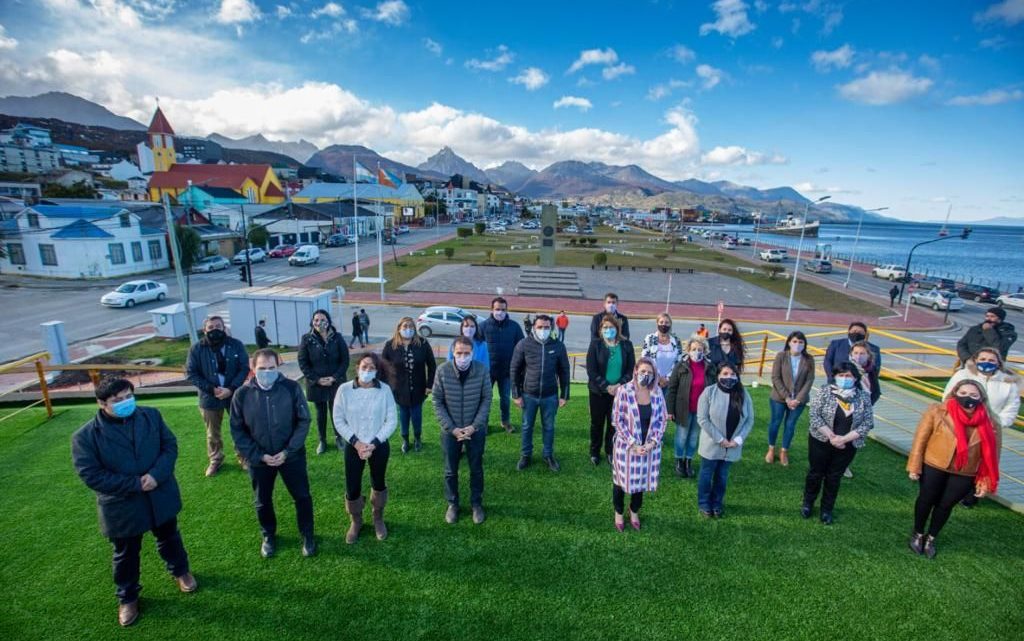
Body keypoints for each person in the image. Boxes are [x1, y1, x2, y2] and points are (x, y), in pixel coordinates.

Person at [71, 377, 196, 627]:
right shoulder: (85, 436)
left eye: (129, 396)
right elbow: (90, 474)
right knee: (126, 553)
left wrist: (155, 476)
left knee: (170, 537)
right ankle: (127, 597)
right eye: (117, 401)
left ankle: (181, 572)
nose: (126, 403)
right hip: (122, 505)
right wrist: (135, 484)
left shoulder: (151, 416)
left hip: (159, 494)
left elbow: (169, 447)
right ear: (101, 404)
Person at [230, 349, 316, 559]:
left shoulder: (291, 387)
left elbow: (303, 421)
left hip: (290, 456)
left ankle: (307, 534)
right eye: (262, 368)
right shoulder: (241, 394)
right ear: (253, 368)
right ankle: (268, 535)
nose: (267, 372)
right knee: (262, 500)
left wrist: (288, 451)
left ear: (278, 367)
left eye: (272, 368)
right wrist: (258, 455)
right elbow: (237, 429)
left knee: (302, 496)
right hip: (260, 460)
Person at [906, 380, 1001, 559]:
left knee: (945, 505)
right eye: (963, 392)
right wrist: (914, 466)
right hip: (934, 464)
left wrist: (984, 481)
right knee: (926, 499)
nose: (968, 398)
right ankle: (918, 533)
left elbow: (992, 456)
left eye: (974, 395)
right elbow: (920, 439)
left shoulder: (991, 423)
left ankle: (931, 538)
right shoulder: (937, 410)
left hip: (965, 472)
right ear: (955, 392)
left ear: (982, 398)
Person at [333, 352, 398, 543]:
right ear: (357, 368)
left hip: (378, 445)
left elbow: (391, 420)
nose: (367, 371)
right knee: (352, 485)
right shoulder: (344, 390)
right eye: (364, 366)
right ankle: (356, 520)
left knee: (378, 482)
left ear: (377, 371)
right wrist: (357, 442)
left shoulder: (384, 390)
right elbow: (338, 419)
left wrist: (374, 443)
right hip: (354, 445)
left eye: (372, 368)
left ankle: (378, 518)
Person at [801, 363, 874, 524]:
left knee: (834, 477)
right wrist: (832, 437)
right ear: (835, 376)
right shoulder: (825, 391)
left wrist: (844, 439)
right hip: (821, 440)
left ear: (855, 378)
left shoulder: (863, 397)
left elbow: (868, 422)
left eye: (848, 376)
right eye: (841, 375)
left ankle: (827, 509)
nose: (844, 379)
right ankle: (808, 503)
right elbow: (814, 416)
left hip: (847, 445)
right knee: (815, 473)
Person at [433, 336, 493, 525]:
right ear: (453, 353)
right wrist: (452, 429)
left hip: (475, 431)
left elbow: (486, 399)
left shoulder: (482, 370)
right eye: (459, 353)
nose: (463, 357)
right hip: (450, 432)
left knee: (476, 468)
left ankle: (476, 504)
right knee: (451, 470)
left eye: (467, 353)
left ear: (473, 353)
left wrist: (474, 426)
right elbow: (437, 401)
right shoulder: (442, 371)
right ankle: (453, 504)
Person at [185, 315, 250, 477]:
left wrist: (231, 388)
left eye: (218, 327)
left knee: (240, 427)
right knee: (212, 433)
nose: (215, 330)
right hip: (209, 397)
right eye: (211, 327)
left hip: (234, 395)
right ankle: (216, 459)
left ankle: (244, 457)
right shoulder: (196, 349)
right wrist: (212, 389)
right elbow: (191, 373)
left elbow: (244, 368)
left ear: (224, 328)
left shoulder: (236, 345)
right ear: (205, 330)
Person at [610, 358, 668, 531]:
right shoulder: (624, 390)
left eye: (650, 373)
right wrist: (633, 444)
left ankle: (634, 511)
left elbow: (663, 419)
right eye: (643, 371)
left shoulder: (657, 392)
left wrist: (652, 443)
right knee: (620, 482)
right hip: (626, 447)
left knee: (640, 482)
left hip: (648, 447)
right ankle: (619, 512)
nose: (646, 375)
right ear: (635, 371)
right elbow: (617, 420)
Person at [511, 314, 571, 472]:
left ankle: (548, 455)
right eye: (540, 327)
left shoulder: (558, 346)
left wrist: (565, 394)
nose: (543, 330)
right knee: (526, 426)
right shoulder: (523, 344)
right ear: (533, 327)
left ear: (551, 328)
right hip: (528, 395)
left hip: (550, 396)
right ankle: (525, 455)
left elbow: (564, 371)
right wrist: (516, 394)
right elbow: (514, 370)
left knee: (549, 427)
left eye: (546, 327)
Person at [696, 364, 753, 518]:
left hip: (732, 447)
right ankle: (704, 503)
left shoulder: (743, 394)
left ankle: (717, 502)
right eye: (725, 373)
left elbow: (749, 420)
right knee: (706, 475)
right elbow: (702, 419)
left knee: (722, 476)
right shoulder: (709, 392)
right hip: (712, 445)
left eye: (732, 374)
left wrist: (738, 440)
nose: (729, 377)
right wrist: (720, 439)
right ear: (718, 375)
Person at [297, 309, 350, 455]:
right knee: (321, 413)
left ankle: (339, 437)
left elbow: (345, 360)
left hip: (335, 382)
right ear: (312, 322)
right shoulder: (307, 339)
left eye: (322, 319)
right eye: (316, 320)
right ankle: (323, 440)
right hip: (317, 384)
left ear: (328, 321)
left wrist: (335, 377)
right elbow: (303, 363)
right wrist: (317, 379)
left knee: (336, 411)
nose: (319, 323)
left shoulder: (337, 337)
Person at [585, 314, 636, 466]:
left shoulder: (626, 345)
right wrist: (606, 386)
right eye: (605, 327)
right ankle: (594, 452)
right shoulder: (595, 345)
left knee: (614, 424)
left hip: (619, 393)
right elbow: (591, 370)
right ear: (600, 329)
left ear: (617, 328)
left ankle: (610, 451)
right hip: (598, 392)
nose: (608, 330)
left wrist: (619, 385)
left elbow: (631, 369)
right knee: (597, 423)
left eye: (611, 327)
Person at [382, 317, 437, 454]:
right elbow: (383, 367)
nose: (408, 329)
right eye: (405, 327)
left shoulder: (423, 344)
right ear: (399, 328)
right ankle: (405, 439)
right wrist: (387, 386)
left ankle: (417, 438)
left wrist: (430, 385)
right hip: (399, 390)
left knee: (417, 415)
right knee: (403, 415)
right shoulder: (390, 345)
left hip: (419, 389)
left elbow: (432, 365)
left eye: (411, 326)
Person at [666, 337, 715, 479]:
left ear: (705, 351)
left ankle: (688, 460)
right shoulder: (681, 366)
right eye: (694, 349)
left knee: (693, 438)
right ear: (688, 350)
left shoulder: (709, 367)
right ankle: (679, 460)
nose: (697, 352)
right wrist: (670, 410)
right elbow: (672, 388)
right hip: (683, 409)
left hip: (701, 411)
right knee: (682, 436)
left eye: (700, 349)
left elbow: (713, 388)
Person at [766, 331, 816, 467]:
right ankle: (771, 448)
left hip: (799, 400)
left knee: (790, 425)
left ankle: (784, 451)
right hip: (779, 398)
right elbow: (775, 378)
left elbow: (809, 380)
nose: (797, 344)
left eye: (801, 342)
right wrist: (787, 398)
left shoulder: (809, 359)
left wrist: (798, 399)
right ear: (788, 342)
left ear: (804, 344)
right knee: (775, 423)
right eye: (794, 341)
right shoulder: (781, 356)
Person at [944, 347, 1021, 430]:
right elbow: (948, 398)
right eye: (983, 359)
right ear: (976, 360)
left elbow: (1012, 407)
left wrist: (998, 423)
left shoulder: (1009, 383)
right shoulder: (962, 375)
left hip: (991, 429)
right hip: (958, 425)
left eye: (991, 360)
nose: (986, 362)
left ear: (998, 363)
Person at [479, 296, 525, 433]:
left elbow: (521, 348)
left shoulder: (514, 327)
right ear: (492, 310)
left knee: (505, 399)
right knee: (485, 399)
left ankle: (505, 422)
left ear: (507, 310)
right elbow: (476, 348)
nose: (500, 312)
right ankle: (484, 423)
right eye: (497, 309)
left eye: (503, 309)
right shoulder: (483, 327)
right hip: (487, 372)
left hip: (506, 372)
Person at [641, 312, 683, 388]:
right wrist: (658, 378)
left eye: (667, 322)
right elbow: (645, 360)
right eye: (661, 322)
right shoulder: (649, 338)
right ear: (657, 323)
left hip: (670, 383)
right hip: (652, 381)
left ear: (670, 325)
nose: (664, 325)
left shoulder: (676, 340)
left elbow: (679, 361)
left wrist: (668, 379)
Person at [849, 341, 882, 405]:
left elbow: (876, 391)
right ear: (851, 354)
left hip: (866, 406)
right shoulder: (846, 368)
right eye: (856, 353)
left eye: (862, 353)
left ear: (868, 355)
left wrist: (868, 405)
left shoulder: (872, 369)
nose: (858, 356)